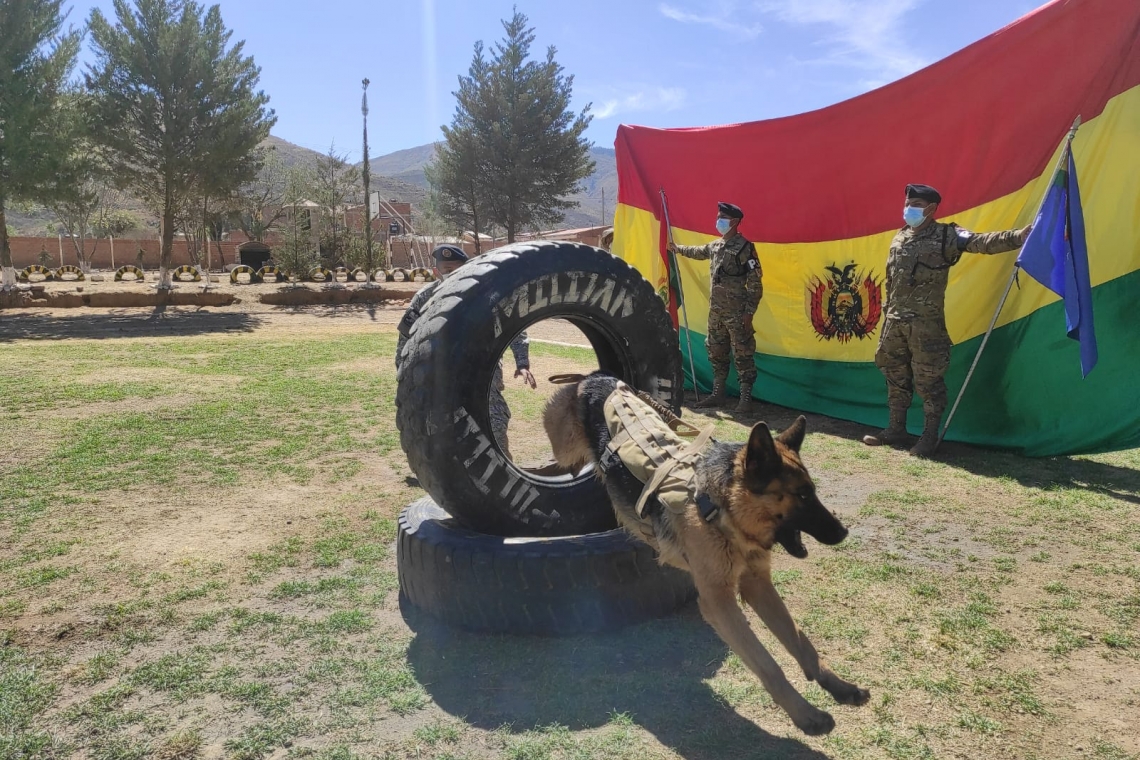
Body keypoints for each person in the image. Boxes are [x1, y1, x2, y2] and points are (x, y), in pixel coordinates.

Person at [864, 183, 1032, 457]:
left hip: (925, 326)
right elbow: (891, 280)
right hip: (894, 322)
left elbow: (980, 242)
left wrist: (1017, 237)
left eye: (916, 205)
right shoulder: (900, 236)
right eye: (908, 204)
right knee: (894, 374)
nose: (909, 209)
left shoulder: (946, 235)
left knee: (928, 380)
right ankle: (896, 429)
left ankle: (929, 437)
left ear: (931, 209)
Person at [395, 244, 536, 458]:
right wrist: (406, 377)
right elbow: (405, 340)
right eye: (447, 269)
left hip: (483, 375)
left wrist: (522, 362)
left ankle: (502, 473)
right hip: (441, 378)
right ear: (436, 271)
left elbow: (514, 325)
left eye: (457, 269)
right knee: (446, 437)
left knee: (494, 428)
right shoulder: (425, 298)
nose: (453, 274)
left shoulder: (486, 293)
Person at [667, 201, 763, 413]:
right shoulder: (716, 246)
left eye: (723, 218)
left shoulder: (745, 248)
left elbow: (756, 283)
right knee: (715, 350)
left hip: (737, 312)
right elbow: (698, 251)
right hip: (716, 312)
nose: (718, 221)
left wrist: (749, 312)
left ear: (735, 221)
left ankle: (745, 398)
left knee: (742, 353)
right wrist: (677, 249)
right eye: (719, 216)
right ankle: (718, 393)